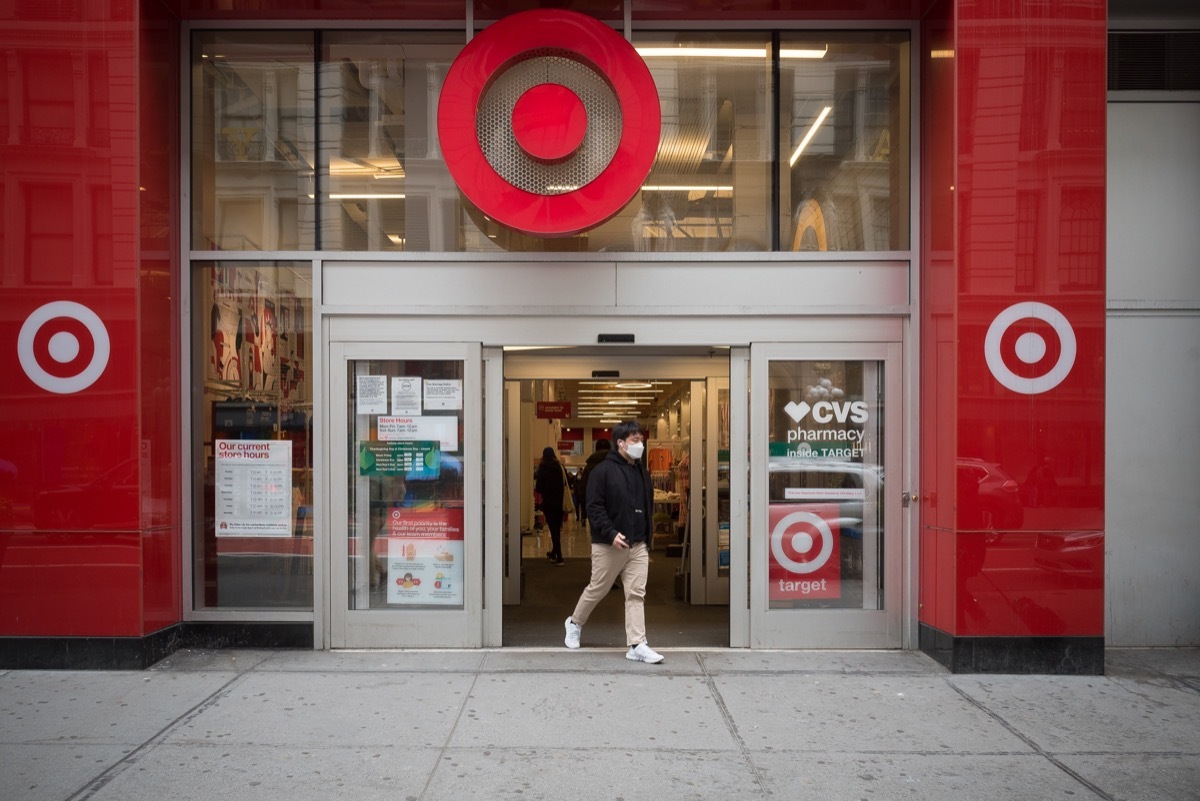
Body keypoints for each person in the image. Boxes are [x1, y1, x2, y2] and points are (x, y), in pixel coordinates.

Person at [563, 421, 664, 663]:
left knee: (636, 594)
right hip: (609, 545)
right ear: (620, 443)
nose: (639, 444)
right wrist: (610, 533)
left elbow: (646, 506)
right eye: (634, 440)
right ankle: (574, 622)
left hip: (637, 544)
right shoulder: (602, 472)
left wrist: (646, 537)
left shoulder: (642, 473)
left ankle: (637, 644)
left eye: (641, 439)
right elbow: (594, 507)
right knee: (598, 588)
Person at [534, 446, 567, 565]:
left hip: (548, 502)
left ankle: (560, 557)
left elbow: (538, 487)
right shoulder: (559, 467)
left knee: (553, 529)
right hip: (558, 502)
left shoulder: (543, 467)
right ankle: (554, 553)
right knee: (556, 528)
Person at [575, 438, 611, 528]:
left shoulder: (589, 466)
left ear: (596, 449)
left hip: (595, 506)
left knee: (598, 536)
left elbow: (583, 488)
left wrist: (584, 503)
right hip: (614, 507)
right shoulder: (617, 464)